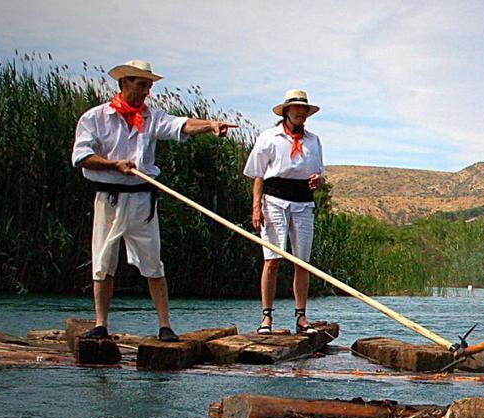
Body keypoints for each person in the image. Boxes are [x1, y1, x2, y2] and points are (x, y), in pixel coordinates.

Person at [71, 59, 232, 342]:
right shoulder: (94, 117)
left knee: (153, 264)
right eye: (142, 84)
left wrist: (210, 125)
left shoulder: (152, 117)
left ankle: (164, 326)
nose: (147, 91)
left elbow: (181, 125)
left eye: (149, 86)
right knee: (103, 261)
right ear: (124, 83)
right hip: (108, 198)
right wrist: (113, 165)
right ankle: (101, 325)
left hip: (142, 200)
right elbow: (81, 157)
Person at [243, 90, 326, 334]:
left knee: (302, 263)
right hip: (274, 201)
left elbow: (320, 174)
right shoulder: (270, 137)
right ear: (286, 111)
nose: (301, 112)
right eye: (296, 108)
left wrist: (318, 180)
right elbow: (258, 175)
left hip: (303, 202)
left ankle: (301, 317)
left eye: (304, 109)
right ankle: (266, 318)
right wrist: (256, 207)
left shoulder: (313, 140)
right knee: (273, 260)